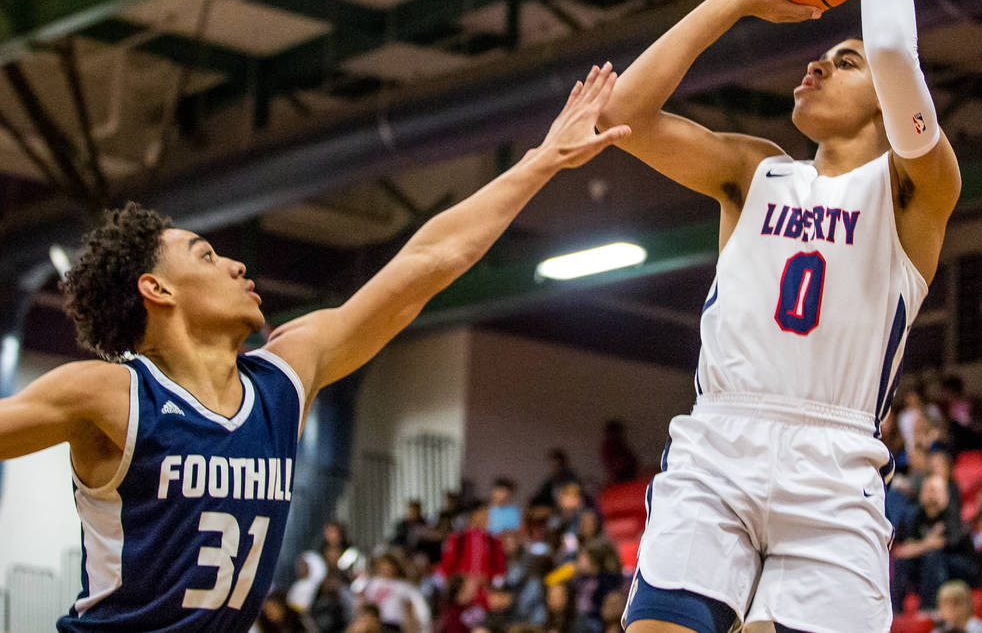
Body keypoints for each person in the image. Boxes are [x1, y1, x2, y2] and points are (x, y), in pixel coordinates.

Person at [0, 66, 630, 632]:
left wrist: (541, 161)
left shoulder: (285, 374)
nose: (238, 265)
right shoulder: (109, 394)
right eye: (208, 255)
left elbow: (427, 262)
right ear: (156, 288)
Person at [597, 0, 961, 633]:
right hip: (718, 442)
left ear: (886, 97)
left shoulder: (914, 188)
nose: (818, 63)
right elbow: (623, 113)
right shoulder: (750, 170)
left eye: (845, 60)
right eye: (820, 54)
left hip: (833, 467)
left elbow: (896, 47)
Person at [891, 474, 975, 612]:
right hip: (927, 567)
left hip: (958, 566)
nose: (931, 495)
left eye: (935, 490)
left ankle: (930, 610)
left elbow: (945, 543)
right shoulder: (917, 516)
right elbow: (905, 549)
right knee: (902, 560)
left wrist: (922, 545)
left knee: (933, 556)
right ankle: (896, 611)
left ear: (945, 494)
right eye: (928, 490)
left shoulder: (952, 515)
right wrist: (928, 543)